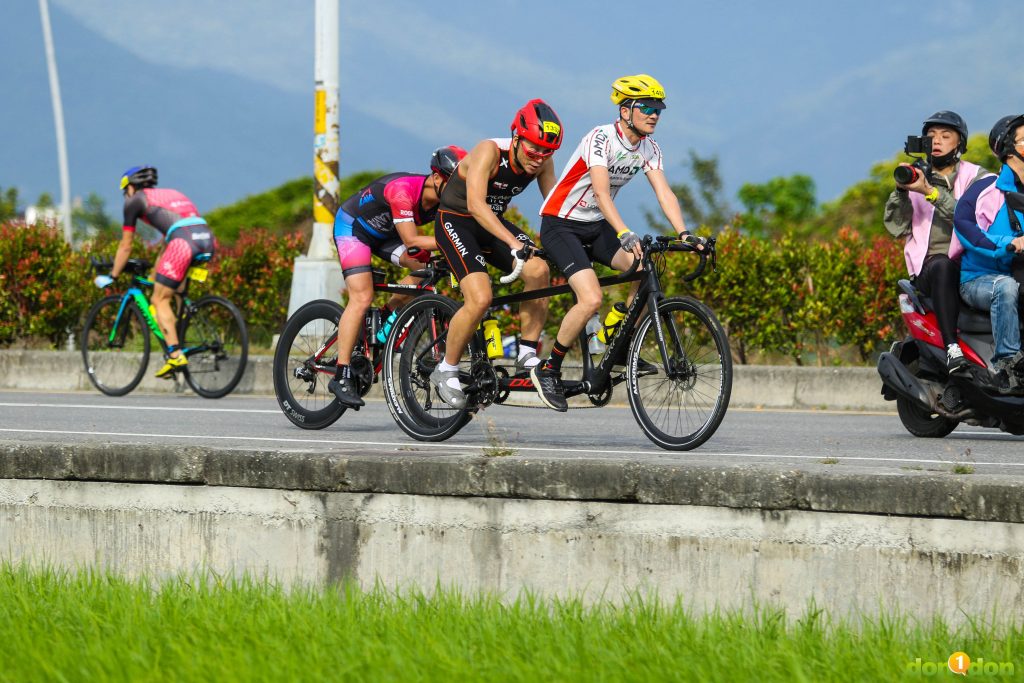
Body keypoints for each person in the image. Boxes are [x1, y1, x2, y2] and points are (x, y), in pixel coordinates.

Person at [529, 74, 701, 411]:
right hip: (561, 224)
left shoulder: (650, 148)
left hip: (595, 226)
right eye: (647, 107)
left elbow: (664, 192)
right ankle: (549, 369)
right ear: (625, 110)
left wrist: (684, 233)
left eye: (659, 109)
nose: (654, 114)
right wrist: (624, 231)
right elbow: (601, 193)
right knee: (591, 298)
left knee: (642, 269)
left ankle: (617, 341)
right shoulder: (600, 138)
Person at [430, 99, 563, 408]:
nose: (538, 158)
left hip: (491, 224)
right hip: (456, 221)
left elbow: (554, 207)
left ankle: (527, 353)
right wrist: (515, 243)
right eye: (533, 150)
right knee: (480, 298)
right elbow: (476, 205)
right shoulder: (489, 151)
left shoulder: (542, 160)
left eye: (547, 151)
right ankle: (446, 368)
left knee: (539, 271)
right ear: (516, 138)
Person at [327, 145, 467, 408]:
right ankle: (341, 373)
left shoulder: (442, 199)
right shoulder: (402, 190)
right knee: (362, 296)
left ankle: (388, 315)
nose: (459, 191)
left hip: (387, 235)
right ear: (437, 178)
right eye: (454, 184)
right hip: (354, 229)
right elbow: (413, 239)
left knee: (427, 270)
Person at [883, 111, 989, 374]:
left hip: (973, 267)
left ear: (959, 143)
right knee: (942, 264)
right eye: (931, 136)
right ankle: (952, 348)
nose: (937, 141)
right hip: (931, 269)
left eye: (945, 135)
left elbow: (974, 221)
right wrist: (901, 191)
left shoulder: (978, 177)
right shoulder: (915, 176)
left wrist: (930, 192)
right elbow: (896, 227)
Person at [94, 166, 214, 378]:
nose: (125, 196)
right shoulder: (171, 194)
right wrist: (154, 273)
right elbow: (170, 236)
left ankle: (175, 354)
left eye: (125, 191)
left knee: (159, 300)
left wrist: (113, 275)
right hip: (205, 239)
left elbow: (126, 246)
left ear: (130, 187)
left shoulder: (135, 201)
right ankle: (178, 341)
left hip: (182, 243)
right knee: (174, 292)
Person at [952, 115, 1024, 391]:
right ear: (1009, 149)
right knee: (1005, 287)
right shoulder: (986, 189)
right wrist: (1009, 243)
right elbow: (965, 225)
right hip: (979, 279)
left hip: (1019, 275)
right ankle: (1008, 362)